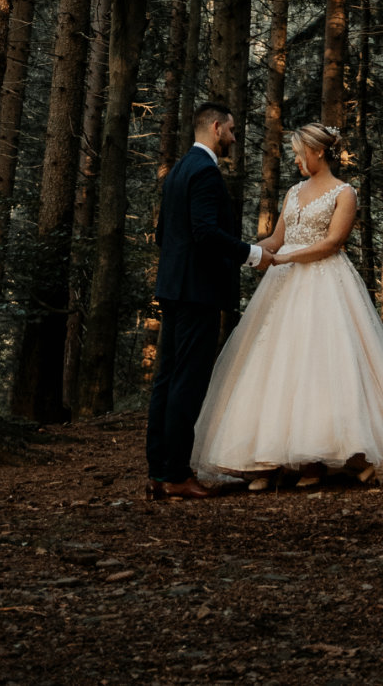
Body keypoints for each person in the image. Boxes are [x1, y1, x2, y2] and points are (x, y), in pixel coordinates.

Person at [191, 120, 383, 489]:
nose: (296, 160)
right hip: (284, 285)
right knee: (273, 363)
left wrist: (286, 258)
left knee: (318, 365)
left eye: (300, 154)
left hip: (324, 283)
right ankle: (267, 459)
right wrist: (245, 253)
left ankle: (317, 459)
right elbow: (276, 239)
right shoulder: (293, 192)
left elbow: (332, 243)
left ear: (318, 151)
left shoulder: (344, 193)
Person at [147, 101, 267, 500]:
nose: (233, 137)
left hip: (173, 288)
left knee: (167, 380)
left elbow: (163, 235)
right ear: (216, 128)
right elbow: (205, 232)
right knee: (188, 382)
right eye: (231, 130)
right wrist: (253, 254)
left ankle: (159, 471)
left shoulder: (179, 170)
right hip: (197, 292)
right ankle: (176, 474)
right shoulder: (205, 173)